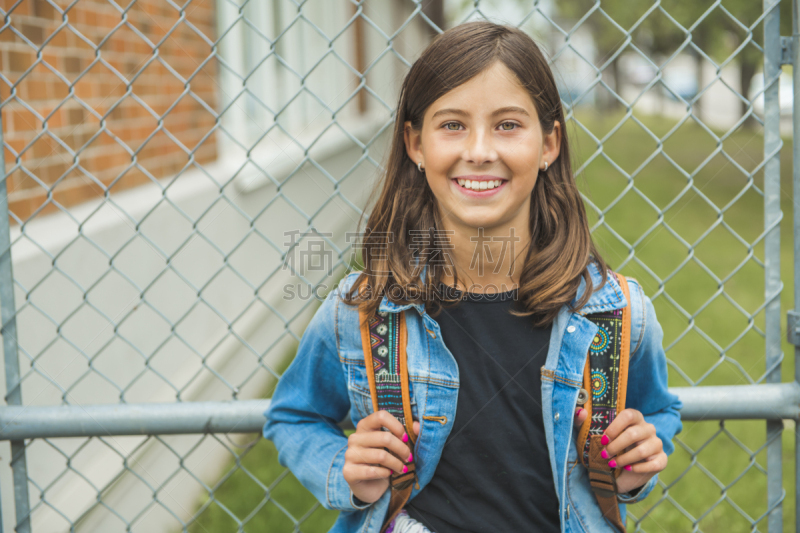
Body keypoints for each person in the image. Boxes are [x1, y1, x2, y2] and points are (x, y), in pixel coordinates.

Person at [263, 20, 682, 533]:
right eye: (453, 125)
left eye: (507, 125)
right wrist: (344, 471)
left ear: (549, 143)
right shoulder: (361, 312)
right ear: (415, 144)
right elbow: (293, 416)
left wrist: (632, 465)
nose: (480, 150)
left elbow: (657, 413)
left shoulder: (617, 313)